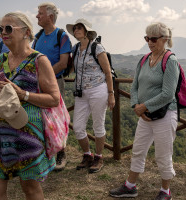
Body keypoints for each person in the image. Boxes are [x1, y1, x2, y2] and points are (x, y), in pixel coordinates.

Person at [0, 12, 60, 200]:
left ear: (26, 32)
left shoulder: (39, 60)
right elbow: (1, 92)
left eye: (9, 28)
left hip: (28, 134)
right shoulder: (2, 59)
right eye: (0, 29)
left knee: (30, 188)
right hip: (1, 135)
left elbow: (54, 98)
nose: (3, 32)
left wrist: (23, 94)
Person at [109, 22, 178, 200]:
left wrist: (144, 106)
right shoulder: (144, 59)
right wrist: (135, 106)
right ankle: (130, 186)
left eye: (154, 38)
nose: (150, 42)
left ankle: (165, 191)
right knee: (138, 150)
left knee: (163, 154)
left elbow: (168, 94)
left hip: (164, 114)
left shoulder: (170, 60)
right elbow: (135, 86)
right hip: (145, 115)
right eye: (147, 38)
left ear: (165, 39)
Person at [66, 18, 115, 173]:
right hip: (81, 92)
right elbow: (71, 69)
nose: (76, 30)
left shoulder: (97, 48)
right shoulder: (75, 49)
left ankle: (99, 157)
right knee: (78, 127)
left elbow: (107, 72)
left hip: (98, 90)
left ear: (86, 31)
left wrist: (111, 94)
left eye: (79, 28)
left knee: (98, 125)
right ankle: (88, 154)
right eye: (74, 28)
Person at [33, 2, 72, 171]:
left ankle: (61, 155)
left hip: (55, 82)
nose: (37, 16)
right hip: (37, 83)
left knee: (58, 118)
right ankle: (43, 154)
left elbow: (63, 63)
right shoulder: (38, 36)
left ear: (50, 16)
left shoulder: (61, 36)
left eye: (40, 13)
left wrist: (44, 78)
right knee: (40, 118)